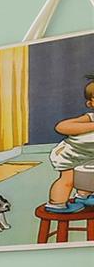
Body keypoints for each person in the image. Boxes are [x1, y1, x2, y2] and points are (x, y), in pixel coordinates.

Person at [41, 75, 94, 214]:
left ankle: (83, 196)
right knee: (68, 179)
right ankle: (56, 204)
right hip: (69, 154)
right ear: (90, 103)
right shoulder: (90, 118)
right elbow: (61, 127)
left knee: (88, 175)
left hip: (89, 154)